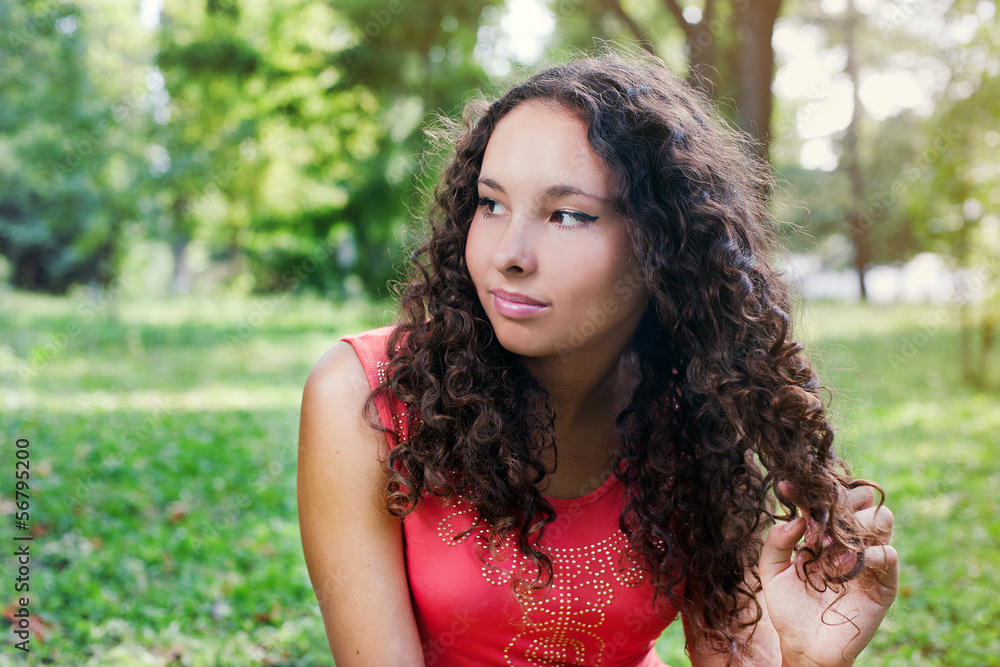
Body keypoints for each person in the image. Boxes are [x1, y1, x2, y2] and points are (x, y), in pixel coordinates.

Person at [297, 47, 898, 667]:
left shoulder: (693, 415)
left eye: (567, 215)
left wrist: (804, 659)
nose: (510, 253)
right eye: (491, 202)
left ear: (661, 246)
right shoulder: (368, 397)